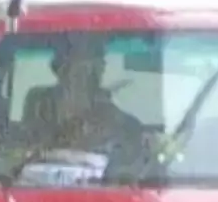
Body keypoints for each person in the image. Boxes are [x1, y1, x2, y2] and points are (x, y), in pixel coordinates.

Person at [18, 38, 147, 161]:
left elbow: (129, 160)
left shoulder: (115, 116)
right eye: (84, 63)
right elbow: (23, 147)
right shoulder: (39, 104)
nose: (96, 68)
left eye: (99, 60)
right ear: (62, 68)